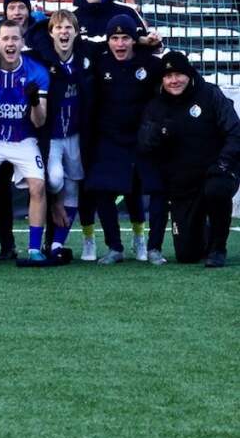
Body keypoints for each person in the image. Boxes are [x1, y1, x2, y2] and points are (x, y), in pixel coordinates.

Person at [138, 52, 240, 267]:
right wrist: (157, 132)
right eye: (168, 76)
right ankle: (203, 233)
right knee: (187, 255)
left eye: (178, 75)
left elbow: (234, 132)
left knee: (217, 189)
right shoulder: (156, 106)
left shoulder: (210, 94)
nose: (173, 80)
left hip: (216, 171)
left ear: (189, 74)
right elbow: (144, 144)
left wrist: (224, 163)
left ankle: (218, 248)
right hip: (182, 184)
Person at [84, 15, 166, 265]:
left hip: (143, 140)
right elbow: (81, 46)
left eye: (126, 38)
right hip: (110, 139)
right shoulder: (100, 62)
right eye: (115, 38)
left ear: (133, 40)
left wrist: (151, 44)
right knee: (101, 190)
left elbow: (177, 73)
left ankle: (151, 246)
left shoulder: (150, 64)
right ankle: (115, 247)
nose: (120, 44)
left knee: (152, 190)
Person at [0, 19, 50, 267]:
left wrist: (34, 102)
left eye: (15, 38)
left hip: (23, 137)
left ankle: (34, 249)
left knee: (38, 186)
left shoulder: (37, 72)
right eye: (5, 38)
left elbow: (39, 122)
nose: (10, 43)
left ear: (23, 42)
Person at [25, 10, 94, 259]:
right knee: (54, 180)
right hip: (51, 136)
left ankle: (56, 243)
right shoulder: (39, 58)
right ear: (51, 33)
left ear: (76, 33)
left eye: (68, 28)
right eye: (58, 28)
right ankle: (55, 205)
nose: (64, 32)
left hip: (75, 134)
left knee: (74, 182)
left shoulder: (85, 56)